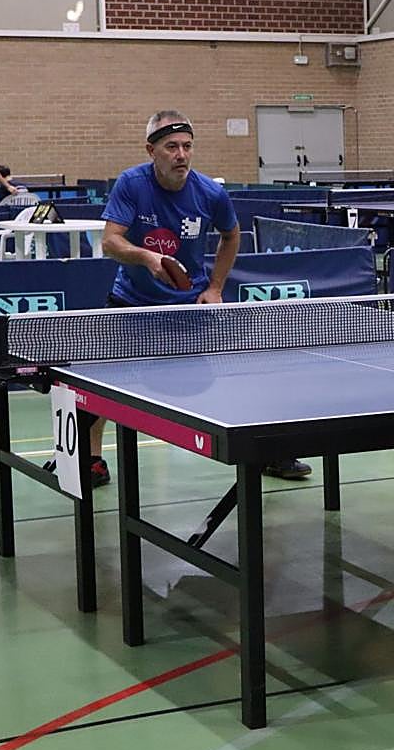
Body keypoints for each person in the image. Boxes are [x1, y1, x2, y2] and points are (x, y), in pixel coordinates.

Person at [79, 109, 310, 485]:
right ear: (151, 150)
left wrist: (215, 287)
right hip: (132, 303)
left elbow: (231, 235)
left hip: (191, 307)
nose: (181, 155)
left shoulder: (209, 192)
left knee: (250, 371)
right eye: (171, 147)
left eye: (187, 146)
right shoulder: (131, 184)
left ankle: (271, 450)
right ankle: (91, 461)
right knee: (97, 381)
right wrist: (145, 256)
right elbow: (110, 241)